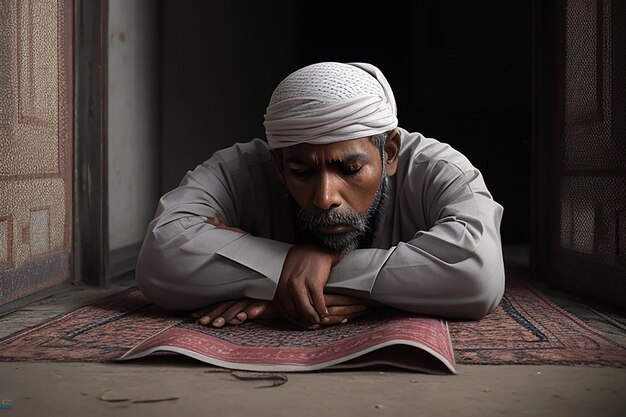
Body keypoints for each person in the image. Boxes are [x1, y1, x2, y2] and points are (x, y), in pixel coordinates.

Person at [135, 62, 505, 330]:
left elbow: (478, 274)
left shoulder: (437, 168)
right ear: (278, 163)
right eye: (301, 173)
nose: (325, 197)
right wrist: (293, 264)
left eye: (349, 170)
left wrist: (282, 282)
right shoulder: (240, 170)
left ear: (389, 153)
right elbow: (161, 255)